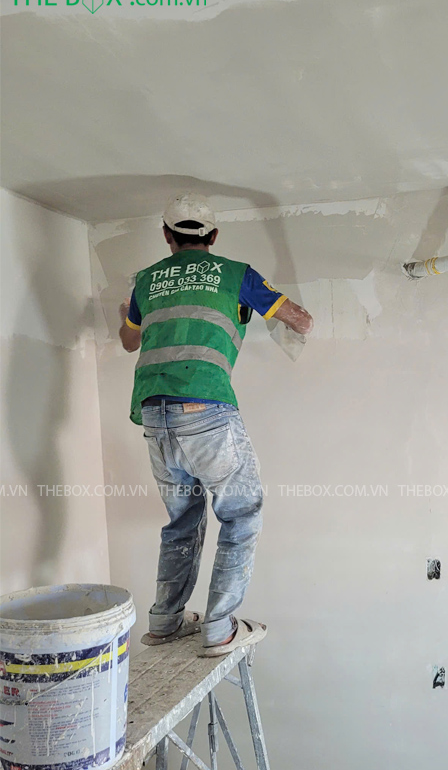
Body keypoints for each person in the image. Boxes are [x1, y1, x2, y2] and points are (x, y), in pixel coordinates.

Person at [119, 191, 313, 656]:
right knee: (241, 513)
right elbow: (301, 322)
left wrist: (128, 314)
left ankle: (165, 622)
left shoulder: (146, 281)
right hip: (206, 409)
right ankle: (219, 628)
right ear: (214, 235)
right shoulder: (235, 274)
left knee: (182, 520)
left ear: (166, 235)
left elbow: (128, 341)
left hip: (154, 415)